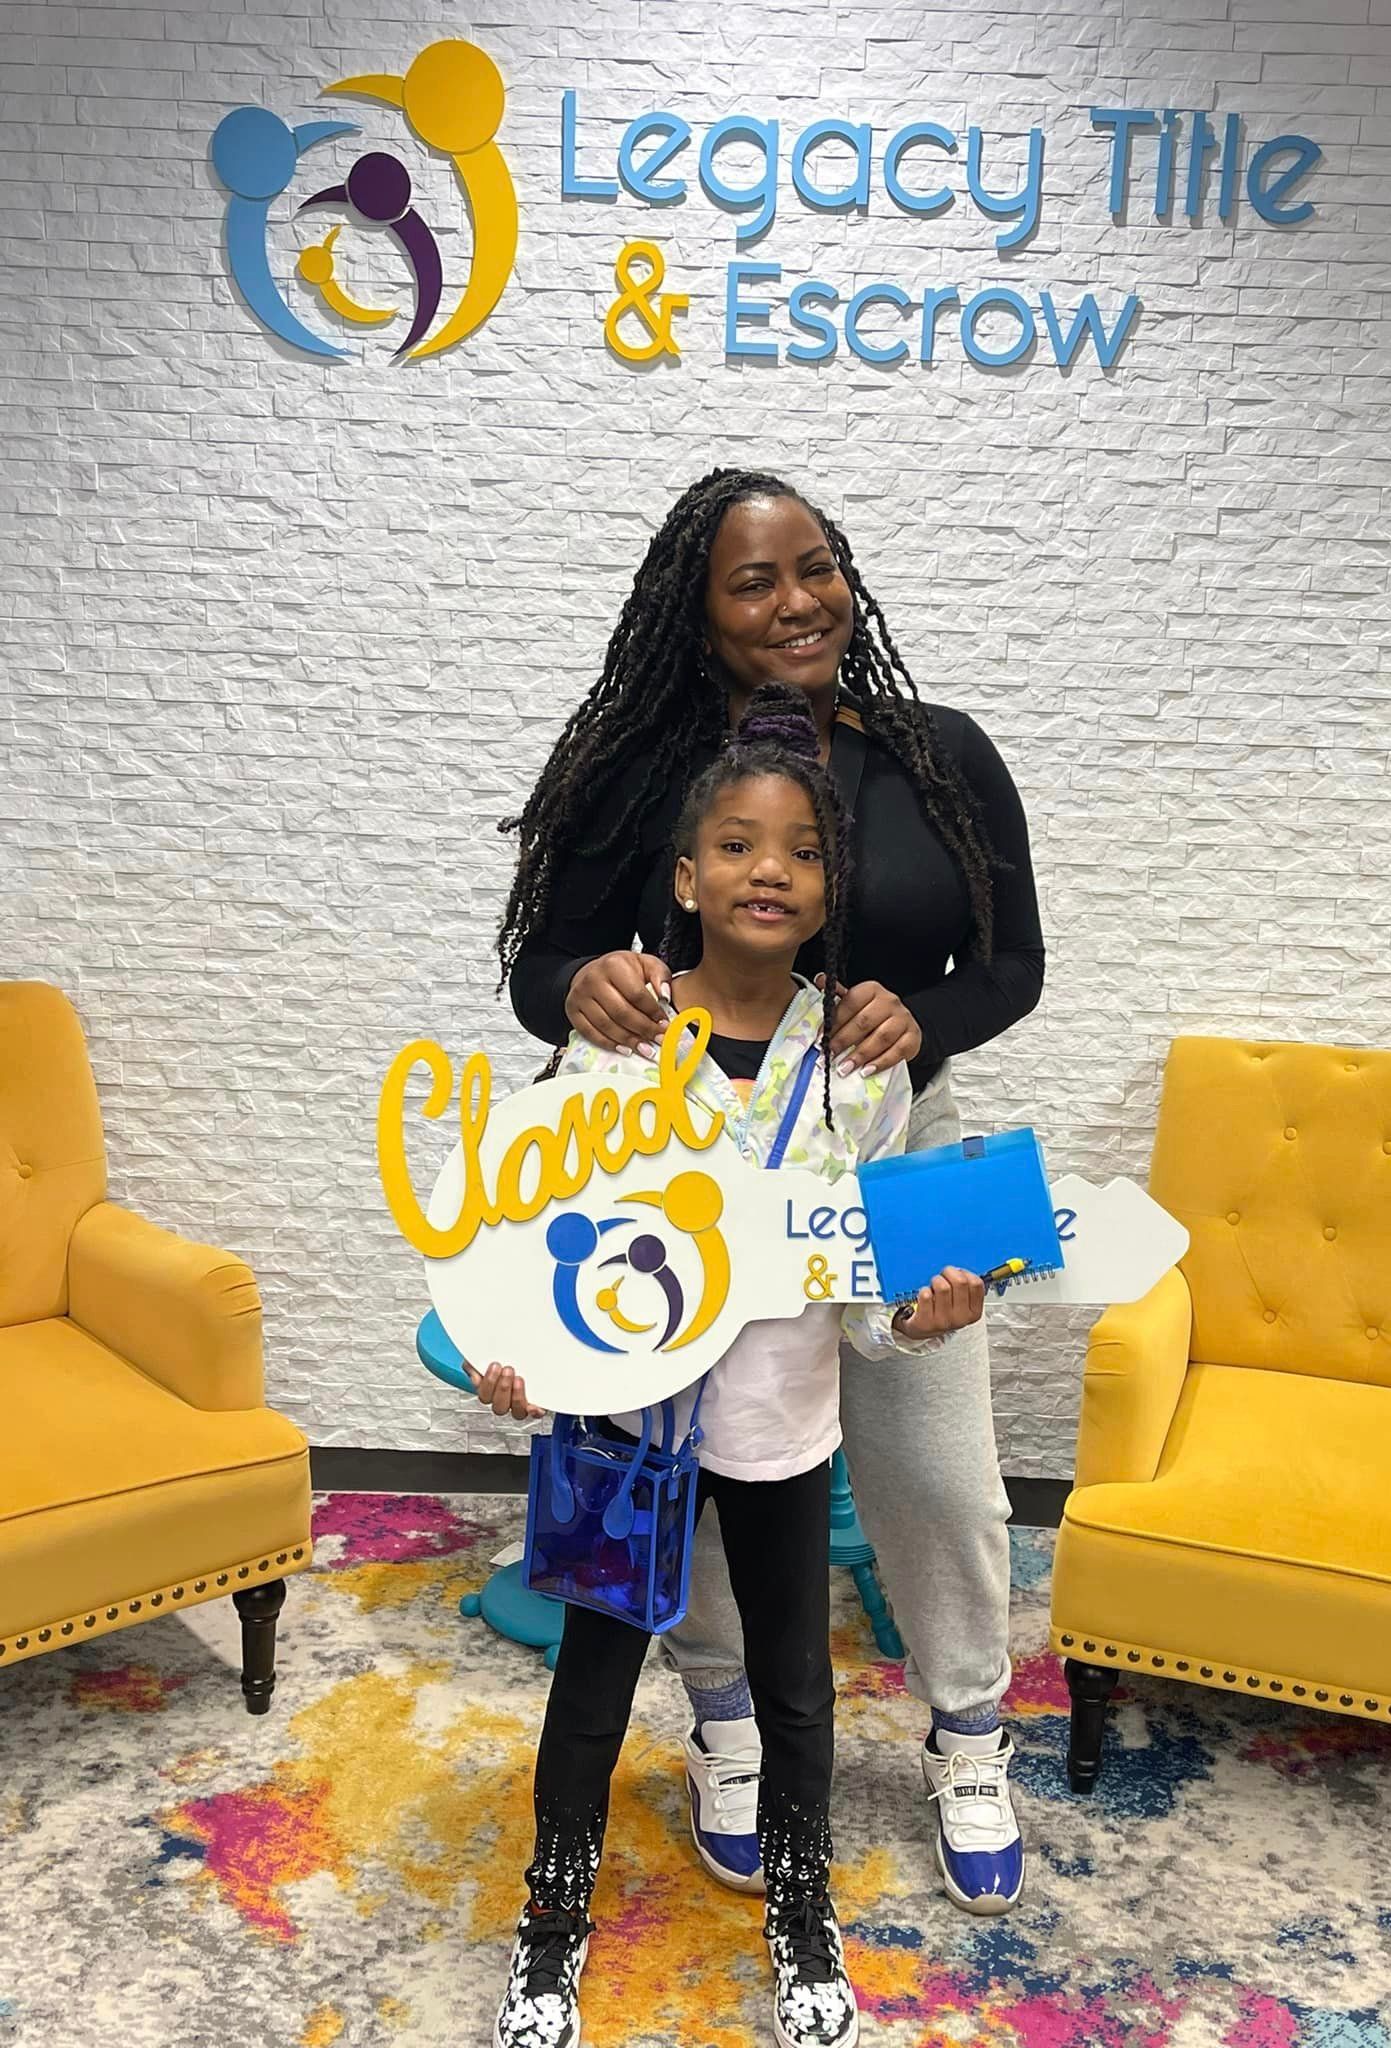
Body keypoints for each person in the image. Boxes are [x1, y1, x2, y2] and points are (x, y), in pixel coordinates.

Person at [496, 467, 1046, 1917]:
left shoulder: (943, 753)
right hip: (705, 1149)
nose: (795, 600)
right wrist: (590, 983)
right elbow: (539, 964)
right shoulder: (648, 772)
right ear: (702, 612)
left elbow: (1017, 967)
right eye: (754, 580)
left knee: (935, 1464)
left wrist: (926, 1021)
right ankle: (727, 1724)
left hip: (898, 1133)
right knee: (715, 1452)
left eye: (818, 567)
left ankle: (970, 1734)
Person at [474, 686, 986, 2048]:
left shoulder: (861, 1069)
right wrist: (510, 1350)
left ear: (832, 892)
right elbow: (531, 1230)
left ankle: (803, 1908)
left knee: (794, 1684)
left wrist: (921, 1317)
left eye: (806, 853)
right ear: (688, 875)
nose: (773, 869)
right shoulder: (613, 1035)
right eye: (741, 846)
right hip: (620, 1425)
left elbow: (866, 1287)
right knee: (592, 1682)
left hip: (778, 1427)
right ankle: (552, 1916)